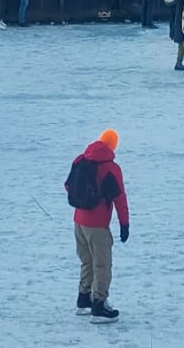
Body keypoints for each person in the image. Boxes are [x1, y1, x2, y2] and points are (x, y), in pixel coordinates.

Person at [66, 128, 129, 322]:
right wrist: (124, 224)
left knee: (87, 260)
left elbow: (68, 185)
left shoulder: (80, 159)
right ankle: (99, 306)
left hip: (78, 221)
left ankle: (84, 299)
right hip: (97, 224)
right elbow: (120, 198)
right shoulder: (111, 168)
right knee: (102, 264)